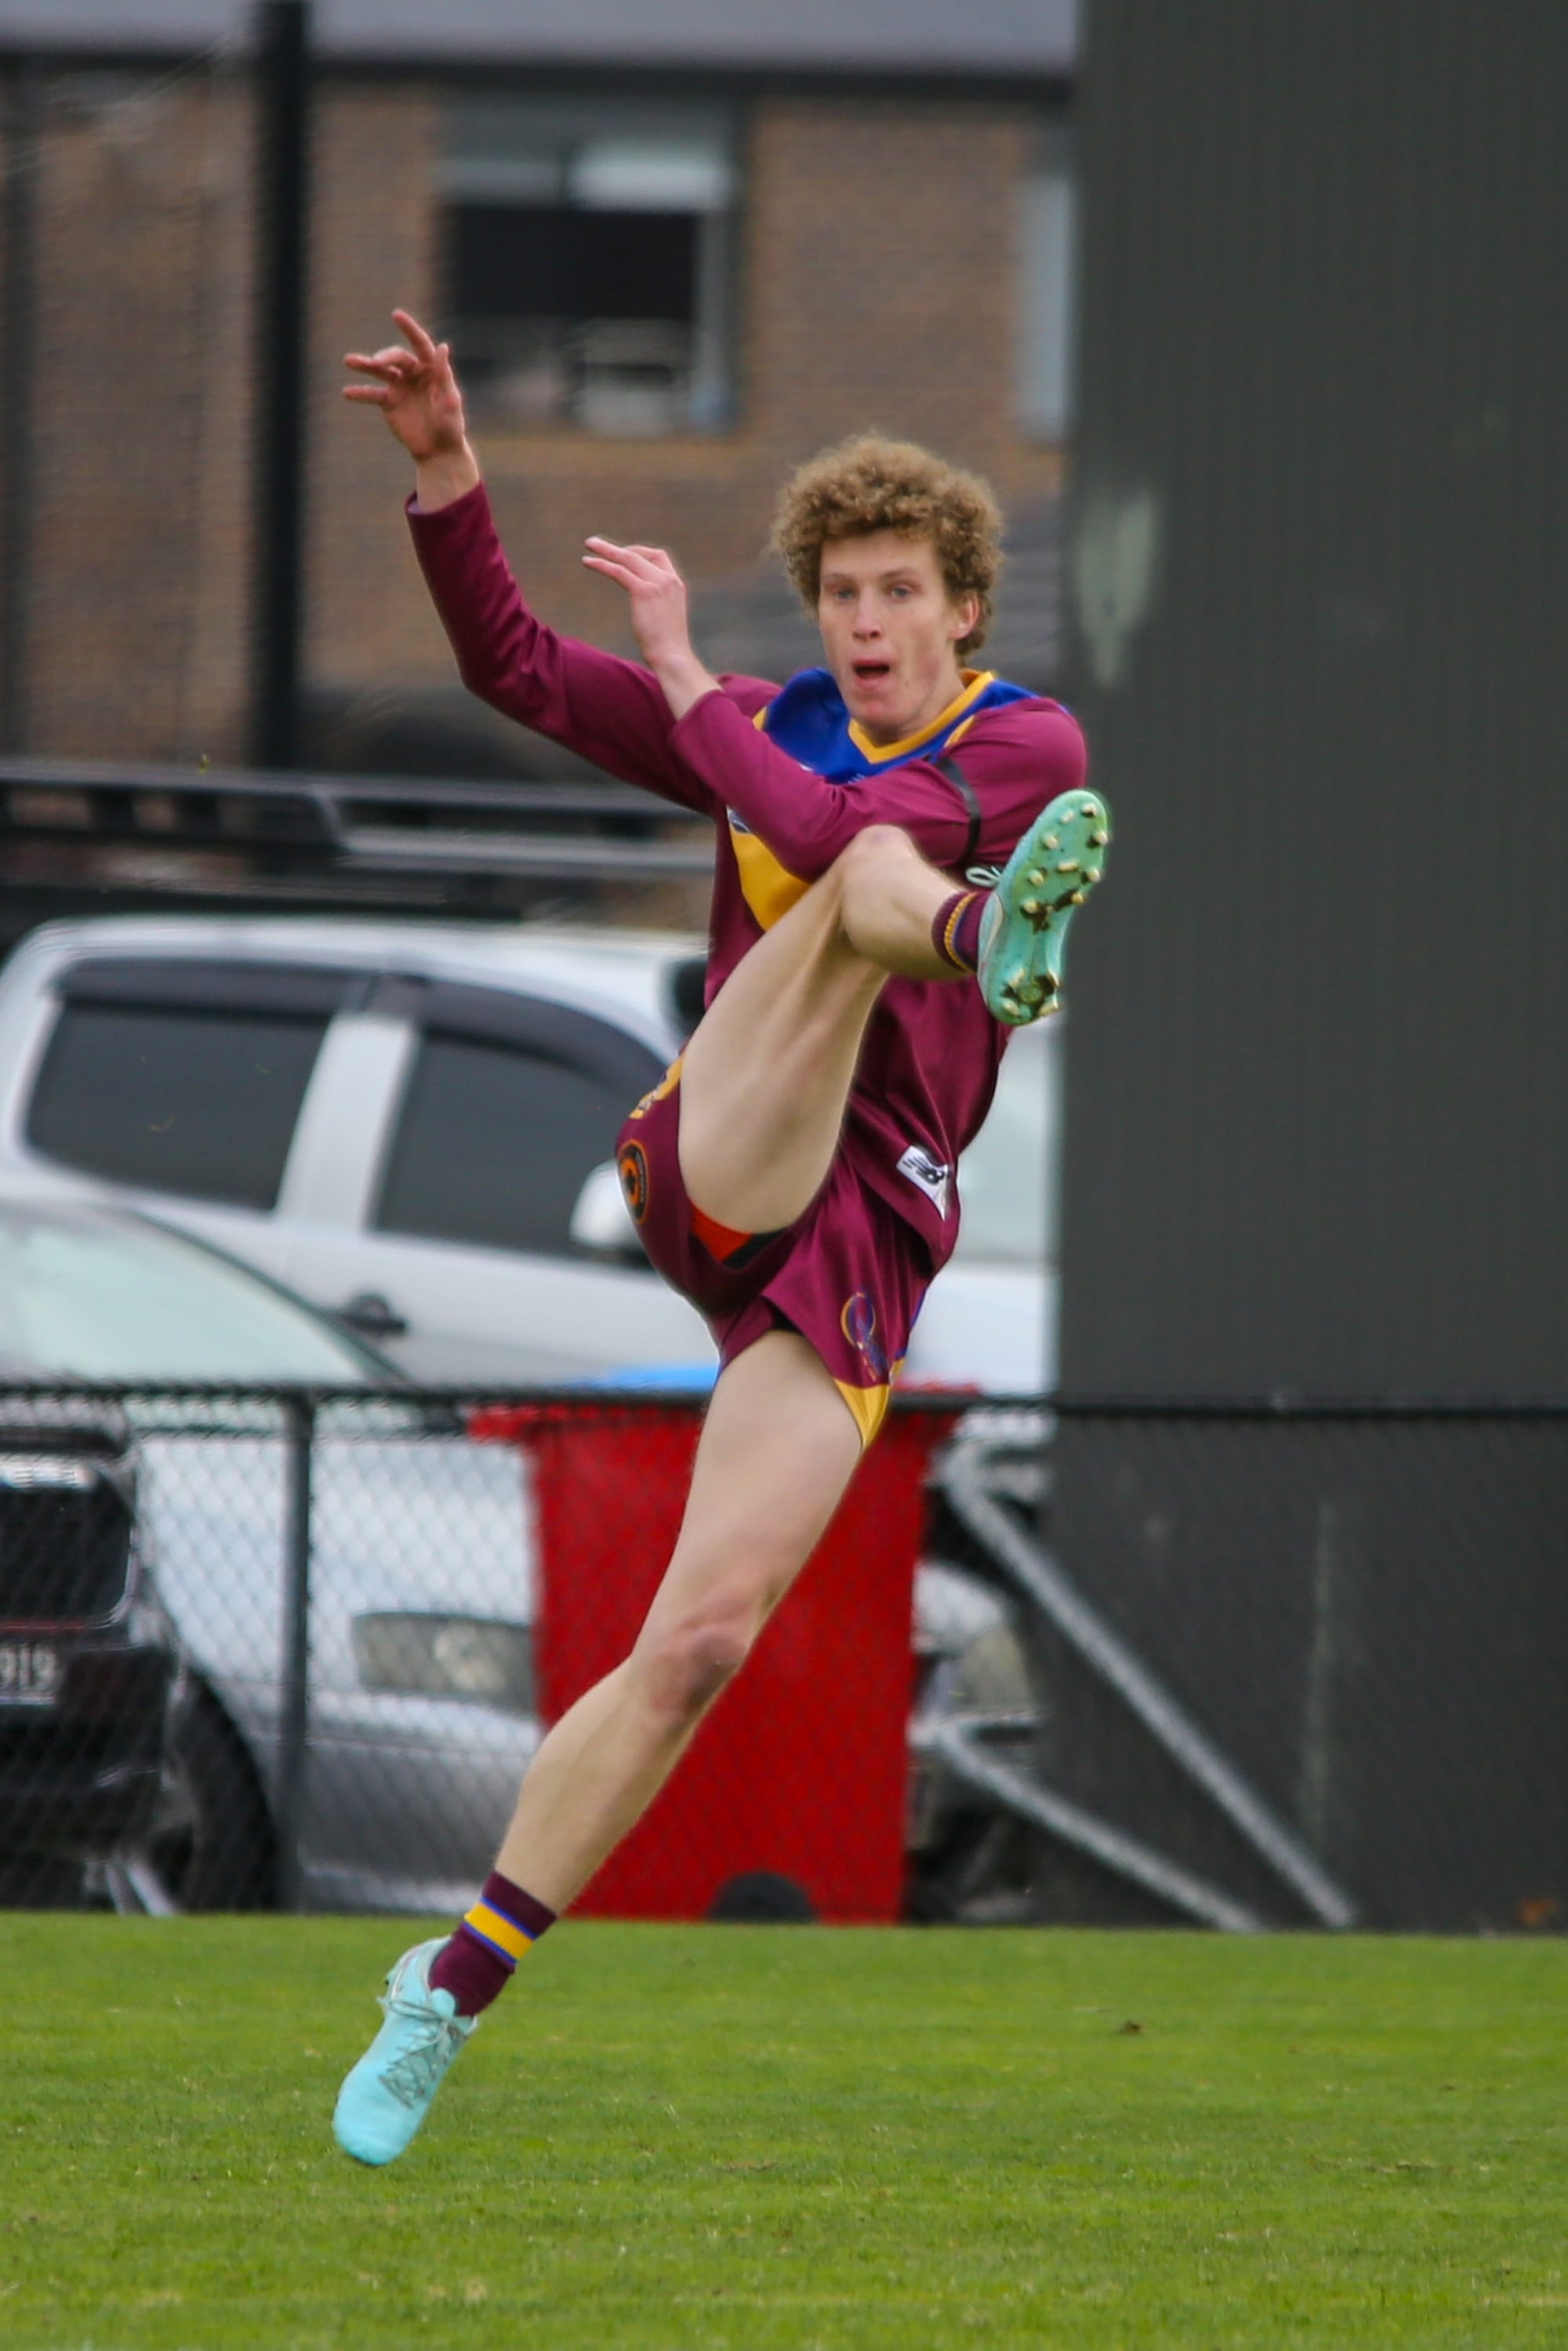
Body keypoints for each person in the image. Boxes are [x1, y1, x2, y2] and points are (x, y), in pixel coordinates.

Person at [332, 310, 1109, 2165]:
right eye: (839, 589)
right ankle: (976, 944)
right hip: (722, 1155)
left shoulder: (1028, 744)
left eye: (899, 590)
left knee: (695, 1642)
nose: (863, 619)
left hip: (862, 1244)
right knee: (857, 880)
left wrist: (694, 690)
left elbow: (829, 814)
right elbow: (519, 670)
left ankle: (445, 1990)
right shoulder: (755, 721)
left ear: (964, 613)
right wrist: (449, 471)